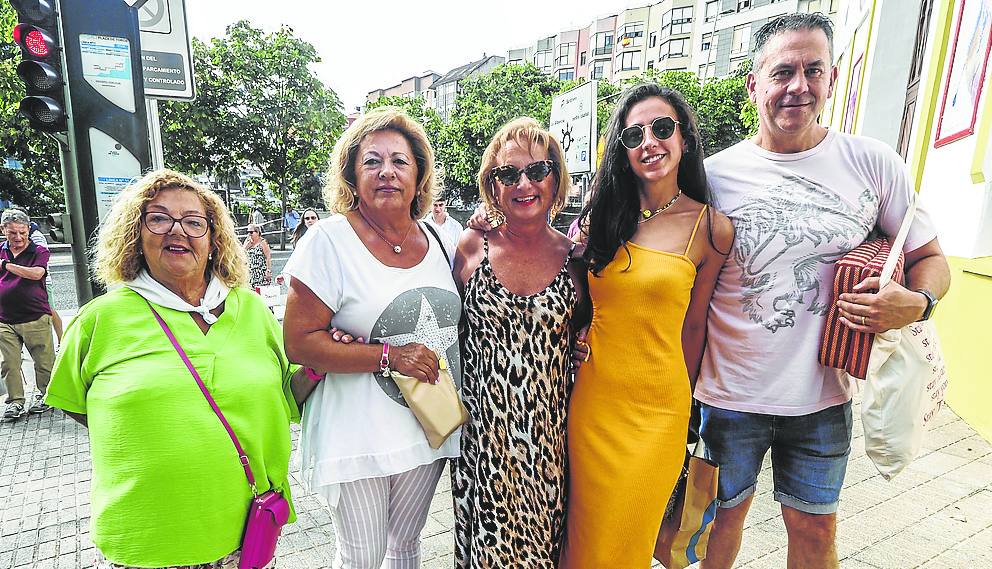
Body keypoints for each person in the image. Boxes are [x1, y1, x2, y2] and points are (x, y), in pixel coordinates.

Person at [695, 14, 950, 569]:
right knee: (715, 529)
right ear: (754, 83)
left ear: (832, 78)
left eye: (814, 70)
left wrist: (917, 304)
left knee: (814, 533)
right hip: (725, 398)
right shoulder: (712, 175)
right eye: (783, 71)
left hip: (823, 399)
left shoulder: (872, 162)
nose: (799, 86)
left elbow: (930, 259)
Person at [43, 169, 305, 568]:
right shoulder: (100, 319)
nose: (177, 231)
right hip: (146, 540)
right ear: (137, 235)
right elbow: (72, 402)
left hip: (245, 532)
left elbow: (289, 395)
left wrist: (325, 362)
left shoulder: (252, 310)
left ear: (214, 240)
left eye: (194, 222)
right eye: (159, 218)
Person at [557, 84, 734, 568]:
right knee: (584, 543)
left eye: (662, 128)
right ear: (623, 149)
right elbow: (575, 297)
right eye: (634, 134)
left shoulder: (711, 227)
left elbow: (695, 327)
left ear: (685, 139)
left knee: (630, 544)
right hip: (594, 404)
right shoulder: (601, 218)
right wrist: (577, 334)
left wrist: (689, 412)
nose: (649, 142)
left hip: (659, 413)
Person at [282, 106, 461, 569]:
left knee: (405, 548)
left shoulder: (439, 240)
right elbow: (299, 342)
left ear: (419, 175)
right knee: (361, 556)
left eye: (400, 161)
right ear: (351, 175)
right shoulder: (328, 241)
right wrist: (387, 356)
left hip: (426, 425)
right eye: (372, 161)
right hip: (355, 432)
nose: (387, 172)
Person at [451, 118, 589, 568]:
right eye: (507, 174)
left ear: (556, 178)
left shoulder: (576, 261)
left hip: (550, 443)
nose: (523, 183)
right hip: (482, 442)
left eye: (537, 171)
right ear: (492, 186)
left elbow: (592, 333)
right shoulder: (472, 246)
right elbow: (441, 324)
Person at [1, 208, 57, 422]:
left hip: (35, 316)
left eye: (23, 232)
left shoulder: (39, 251)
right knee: (9, 363)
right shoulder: (0, 250)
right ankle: (15, 402)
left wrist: (6, 265)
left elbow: (36, 274)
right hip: (4, 318)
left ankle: (47, 396)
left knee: (43, 361)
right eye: (13, 233)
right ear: (3, 230)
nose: (18, 238)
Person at [28, 221, 64, 345]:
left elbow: (41, 256)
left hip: (42, 281)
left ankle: (62, 341)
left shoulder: (35, 235)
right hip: (27, 280)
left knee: (50, 310)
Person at [423, 195, 462, 260]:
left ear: (445, 203)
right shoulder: (423, 226)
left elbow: (460, 254)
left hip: (449, 268)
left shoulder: (456, 227)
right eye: (435, 205)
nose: (438, 209)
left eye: (440, 205)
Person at [243, 222, 272, 288]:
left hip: (260, 272)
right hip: (250, 273)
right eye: (248, 232)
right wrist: (245, 247)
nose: (249, 234)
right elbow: (241, 255)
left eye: (251, 232)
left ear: (257, 232)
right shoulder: (247, 242)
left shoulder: (263, 242)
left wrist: (268, 270)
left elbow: (268, 257)